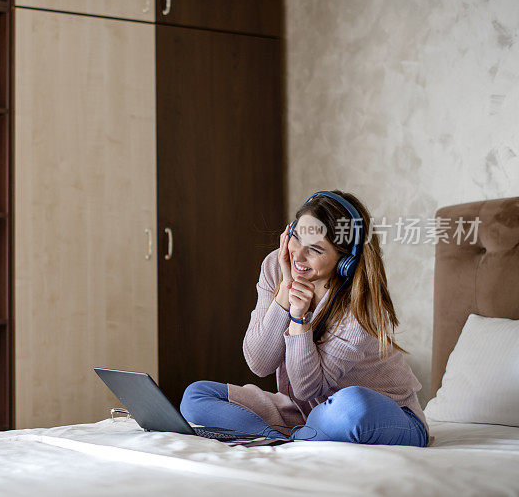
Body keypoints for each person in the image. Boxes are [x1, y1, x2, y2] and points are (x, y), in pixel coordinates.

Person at [180, 190, 429, 447]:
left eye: (315, 249)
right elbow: (259, 363)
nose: (297, 256)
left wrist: (299, 320)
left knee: (352, 404)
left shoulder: (360, 304)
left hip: (386, 416)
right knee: (196, 396)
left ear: (346, 260)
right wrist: (284, 296)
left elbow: (306, 388)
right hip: (305, 413)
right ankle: (295, 437)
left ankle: (292, 435)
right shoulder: (276, 266)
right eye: (296, 237)